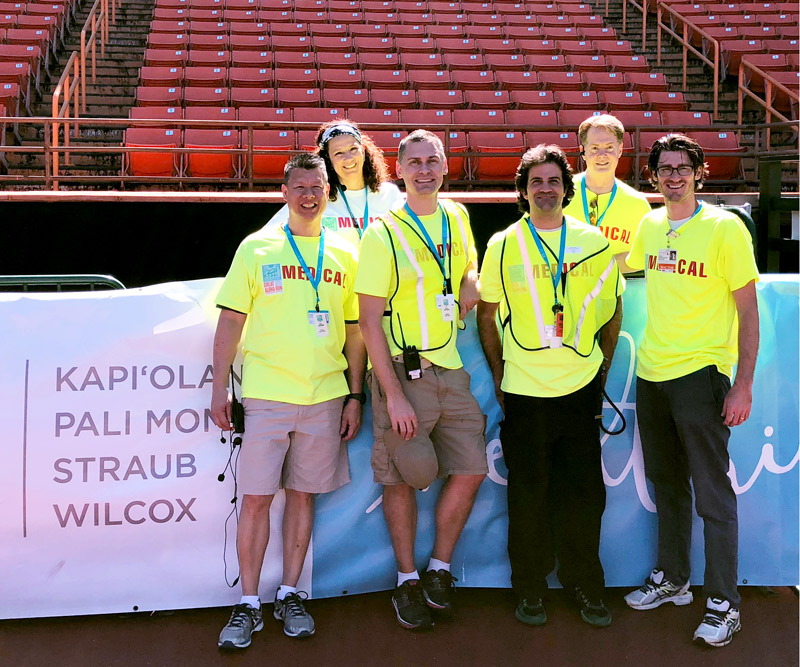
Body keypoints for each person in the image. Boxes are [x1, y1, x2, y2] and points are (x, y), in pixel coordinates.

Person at [211, 153, 366, 649]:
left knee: (303, 497)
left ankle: (291, 592)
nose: (308, 195)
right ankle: (248, 603)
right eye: (299, 187)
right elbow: (231, 321)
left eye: (317, 187)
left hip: (325, 397)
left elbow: (357, 332)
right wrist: (220, 388)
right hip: (266, 397)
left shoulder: (345, 252)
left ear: (329, 192)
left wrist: (355, 394)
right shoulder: (256, 248)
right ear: (285, 192)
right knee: (256, 500)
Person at [477, 144, 624, 629]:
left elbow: (613, 308)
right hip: (523, 392)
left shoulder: (594, 242)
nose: (545, 189)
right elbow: (486, 314)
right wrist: (500, 378)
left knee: (584, 496)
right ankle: (531, 588)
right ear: (523, 190)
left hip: (580, 391)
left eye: (554, 181)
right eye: (536, 181)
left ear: (567, 188)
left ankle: (585, 584)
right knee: (528, 496)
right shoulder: (502, 243)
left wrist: (600, 370)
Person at [623, 134, 759, 648]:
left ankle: (724, 603)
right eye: (664, 169)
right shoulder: (650, 225)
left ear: (699, 173)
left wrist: (741, 384)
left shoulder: (726, 228)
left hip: (701, 376)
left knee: (712, 494)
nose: (673, 176)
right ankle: (675, 579)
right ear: (653, 177)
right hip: (653, 375)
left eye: (683, 168)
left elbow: (749, 311)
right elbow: (621, 266)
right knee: (666, 483)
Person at [355, 130, 488, 630]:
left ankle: (439, 569)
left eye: (433, 160)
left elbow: (466, 277)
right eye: (415, 162)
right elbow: (369, 321)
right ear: (399, 169)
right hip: (402, 373)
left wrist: (484, 284)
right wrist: (392, 397)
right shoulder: (382, 232)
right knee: (402, 477)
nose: (425, 170)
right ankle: (406, 578)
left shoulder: (457, 215)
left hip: (451, 368)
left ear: (444, 165)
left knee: (472, 467)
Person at [267, 120, 404, 244]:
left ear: (363, 151)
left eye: (353, 149)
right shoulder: (318, 197)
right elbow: (268, 235)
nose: (348, 158)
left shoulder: (389, 194)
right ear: (328, 160)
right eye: (339, 153)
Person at [563, 114, 651, 274]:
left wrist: (598, 266)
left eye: (609, 147)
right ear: (583, 151)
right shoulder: (559, 196)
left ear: (620, 150)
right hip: (564, 293)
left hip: (616, 296)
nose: (602, 155)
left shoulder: (638, 204)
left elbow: (646, 256)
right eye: (594, 148)